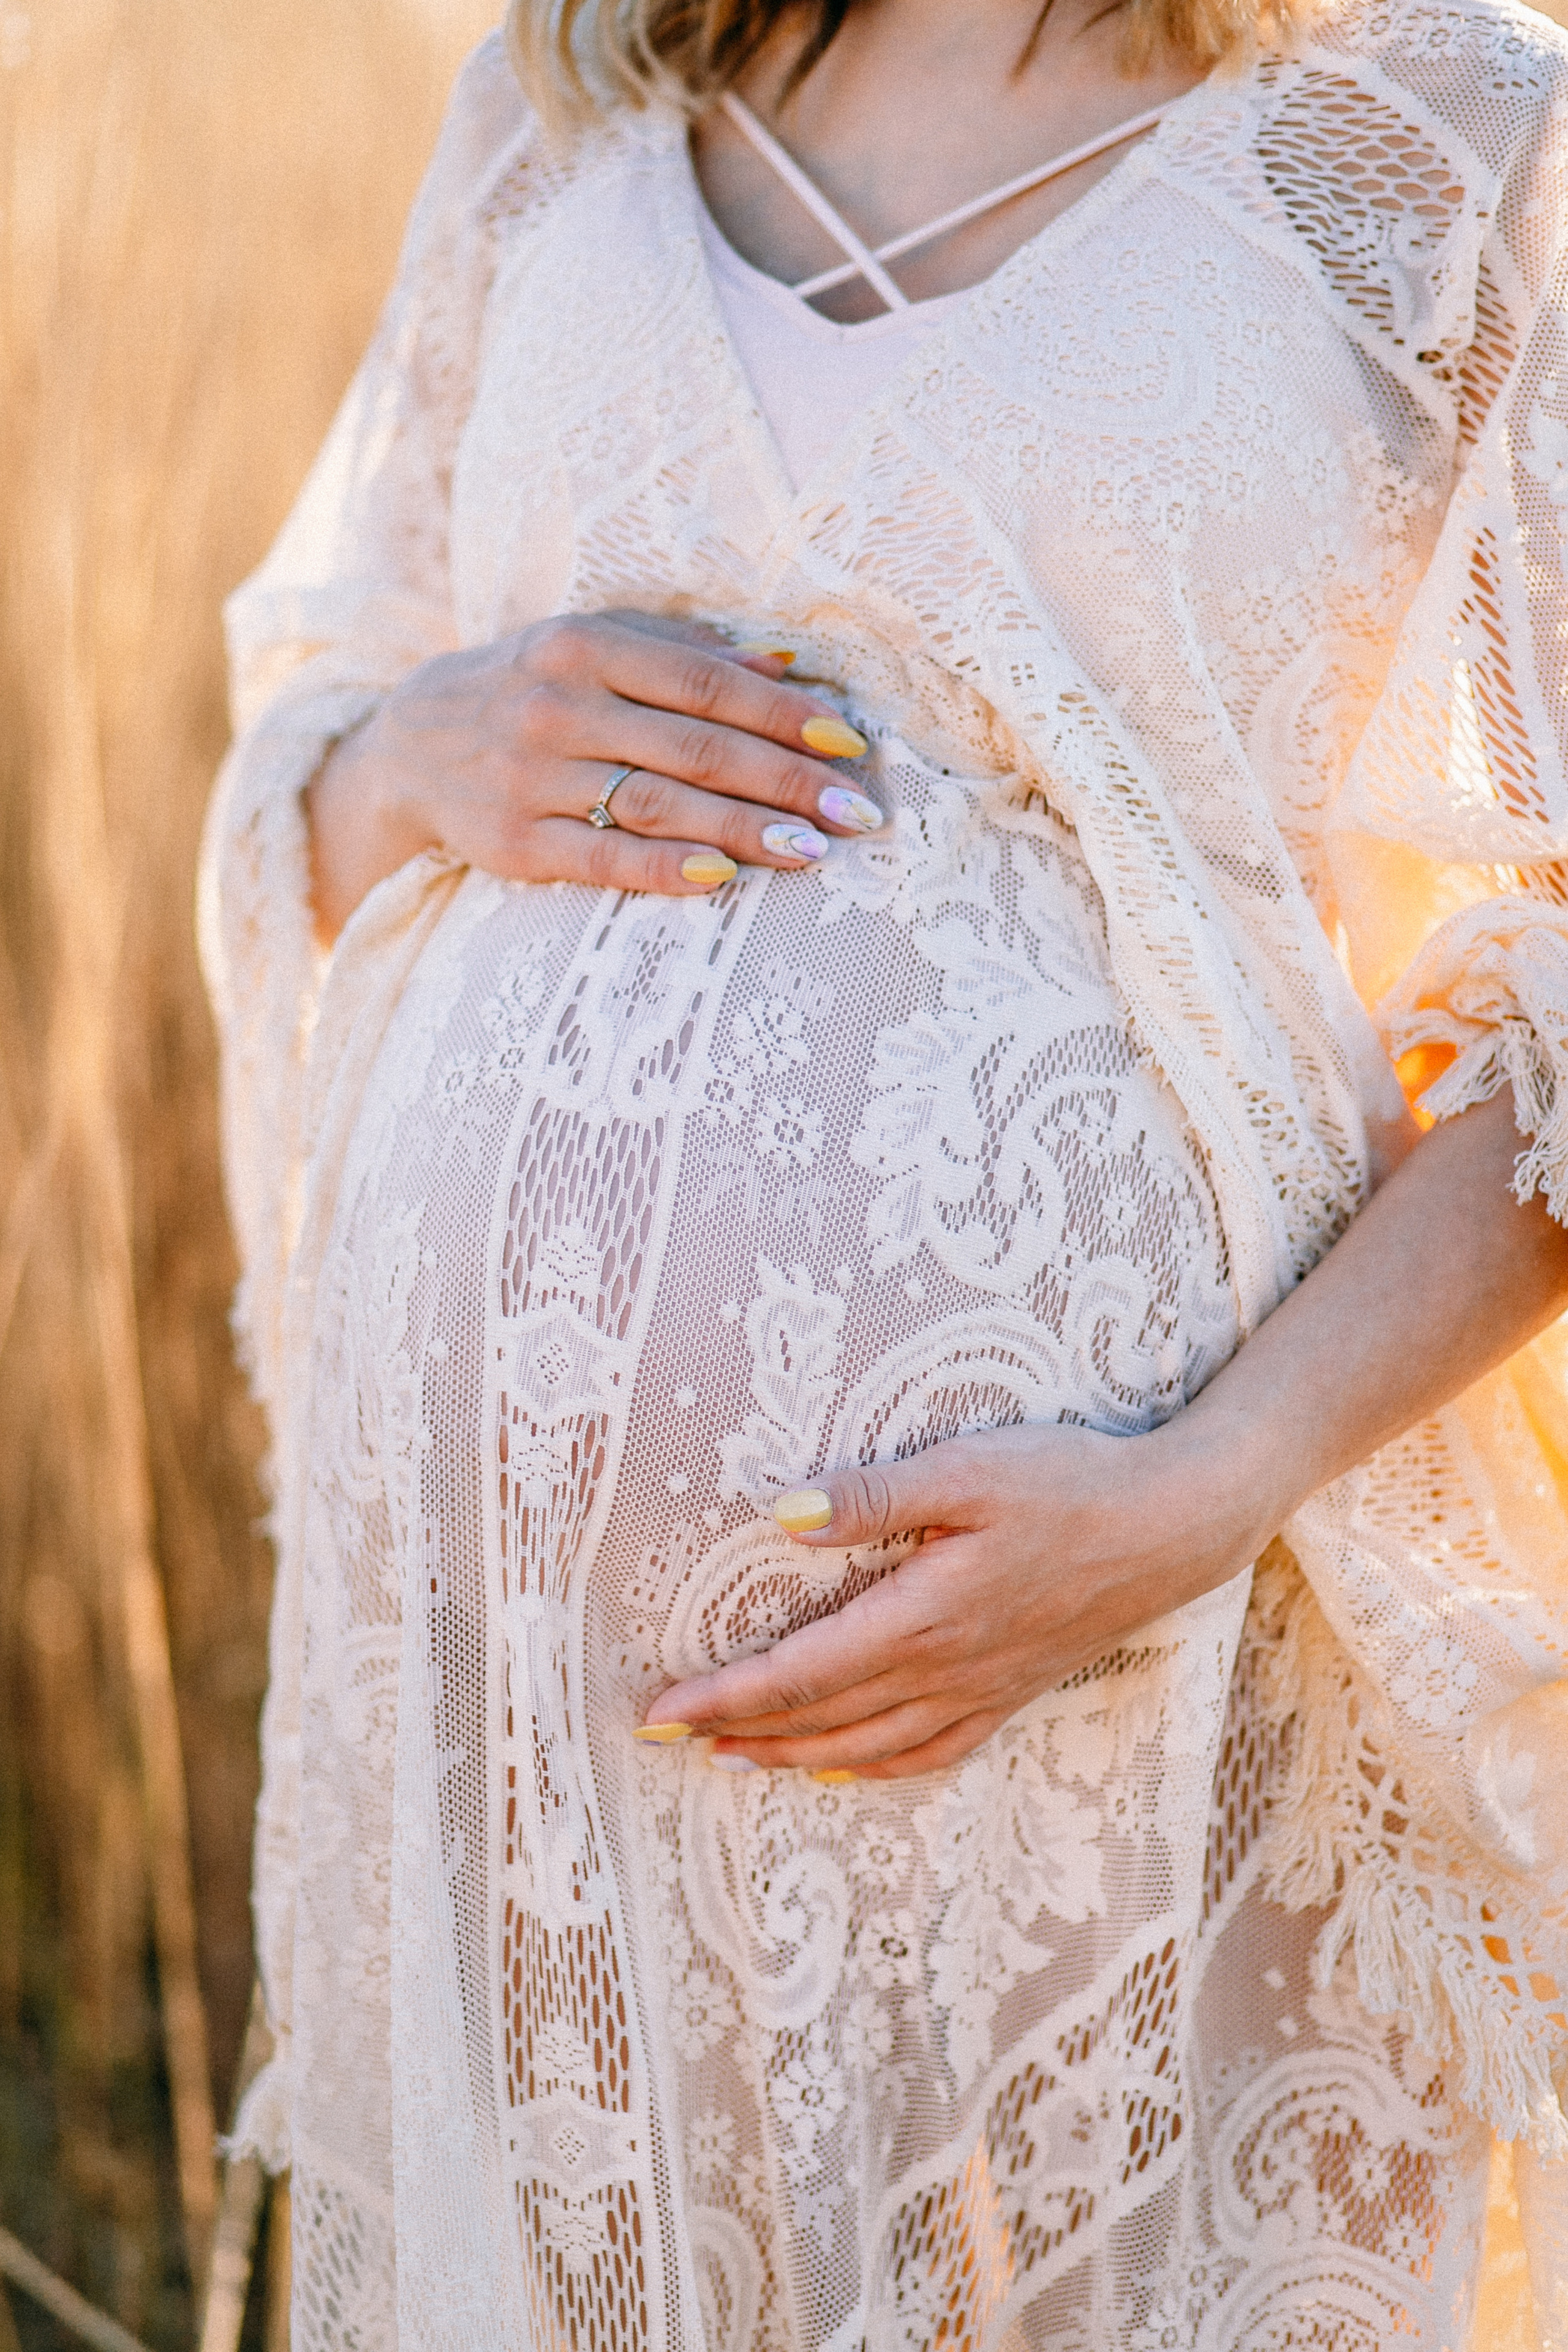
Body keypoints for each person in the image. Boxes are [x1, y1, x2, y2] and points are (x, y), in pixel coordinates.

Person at [202, 0, 1568, 2340]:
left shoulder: (1441, 132)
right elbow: (321, 745)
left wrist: (1206, 1485)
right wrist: (423, 749)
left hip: (1128, 1665)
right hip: (520, 1758)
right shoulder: (568, 97)